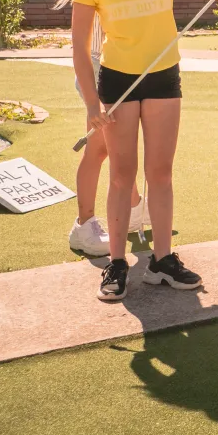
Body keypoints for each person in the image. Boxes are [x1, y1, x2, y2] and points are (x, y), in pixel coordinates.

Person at [56, 0, 218, 301]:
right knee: (122, 176)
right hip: (119, 83)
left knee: (160, 173)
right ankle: (118, 264)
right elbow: (79, 48)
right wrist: (92, 105)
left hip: (163, 78)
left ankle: (161, 260)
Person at [66, 14, 149, 257]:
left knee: (116, 147)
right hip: (98, 66)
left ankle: (133, 209)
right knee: (99, 149)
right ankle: (84, 225)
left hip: (119, 64)